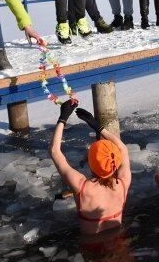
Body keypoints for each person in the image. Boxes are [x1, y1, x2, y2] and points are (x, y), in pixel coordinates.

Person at [49, 100, 132, 235]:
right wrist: (98, 127)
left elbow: (54, 151)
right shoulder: (123, 182)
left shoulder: (82, 186)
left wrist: (63, 118)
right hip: (119, 245)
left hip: (92, 248)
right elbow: (123, 149)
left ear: (91, 162)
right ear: (116, 161)